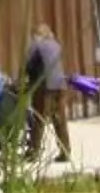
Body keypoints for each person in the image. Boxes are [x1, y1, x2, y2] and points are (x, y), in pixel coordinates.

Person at [20, 21, 73, 162]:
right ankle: (65, 151)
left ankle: (33, 152)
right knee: (59, 120)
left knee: (39, 120)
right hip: (60, 86)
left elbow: (29, 66)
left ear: (38, 35)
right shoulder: (56, 45)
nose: (32, 38)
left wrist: (24, 81)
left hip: (45, 88)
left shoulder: (36, 45)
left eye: (33, 35)